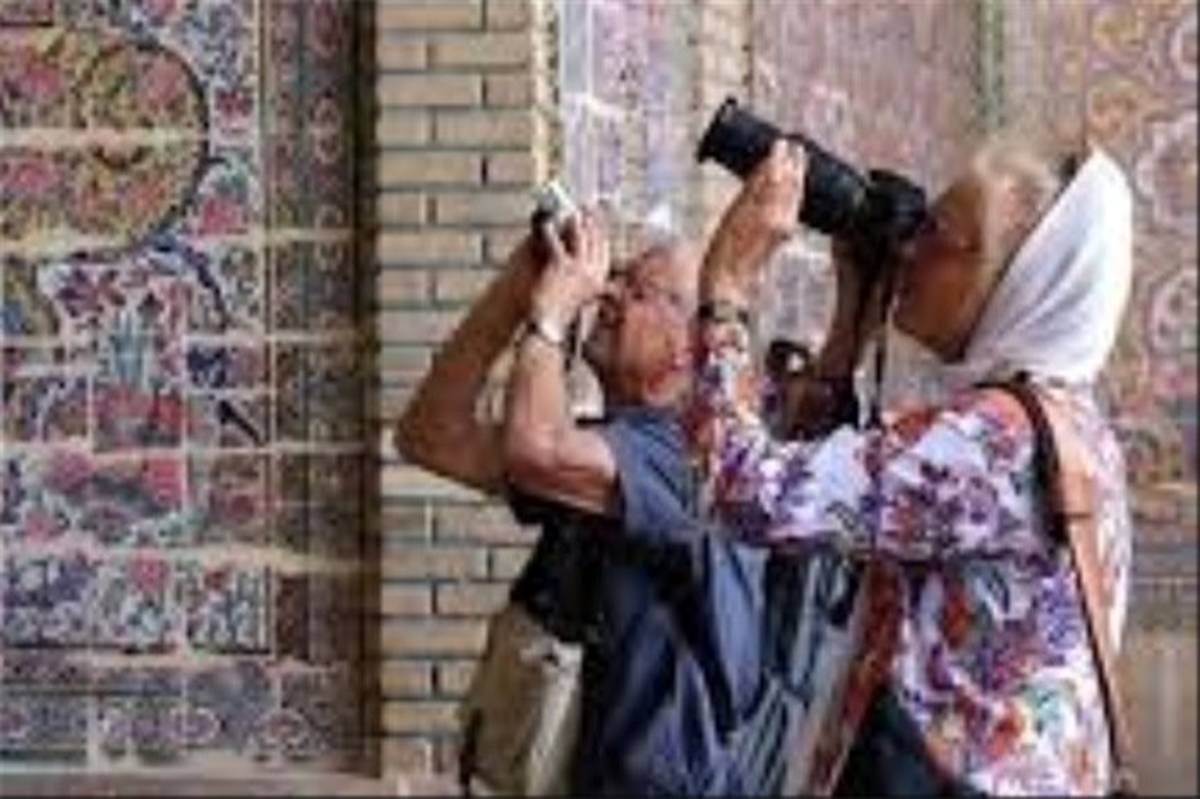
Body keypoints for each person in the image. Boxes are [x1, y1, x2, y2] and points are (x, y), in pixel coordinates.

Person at [687, 137, 1134, 796]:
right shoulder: (1071, 425)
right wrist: (852, 325)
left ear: (1019, 281)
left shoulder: (992, 440)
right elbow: (822, 486)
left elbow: (741, 490)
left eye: (936, 234)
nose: (907, 251)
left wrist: (727, 287)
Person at [395, 212, 773, 795]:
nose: (608, 294)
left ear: (688, 347)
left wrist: (550, 320)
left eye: (637, 290)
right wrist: (516, 289)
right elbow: (430, 437)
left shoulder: (692, 458)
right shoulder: (608, 446)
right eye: (616, 276)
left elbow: (538, 450)